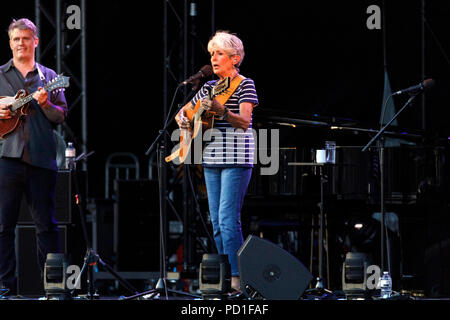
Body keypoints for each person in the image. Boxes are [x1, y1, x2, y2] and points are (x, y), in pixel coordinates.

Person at [175, 31, 258, 292]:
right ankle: (225, 274)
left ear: (235, 58)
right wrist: (184, 120)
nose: (214, 58)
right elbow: (183, 113)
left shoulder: (245, 84)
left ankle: (238, 276)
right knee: (216, 222)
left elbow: (245, 122)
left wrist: (223, 111)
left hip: (236, 157)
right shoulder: (209, 87)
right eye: (212, 54)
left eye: (219, 53)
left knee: (227, 219)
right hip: (211, 159)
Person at [0, 18, 68, 294]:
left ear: (35, 42)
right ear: (10, 43)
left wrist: (46, 102)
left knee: (46, 227)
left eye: (25, 38)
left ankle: (52, 287)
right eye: (16, 39)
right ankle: (5, 287)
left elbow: (60, 116)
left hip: (41, 158)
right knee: (3, 226)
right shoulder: (1, 75)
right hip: (7, 157)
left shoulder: (50, 77)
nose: (20, 44)